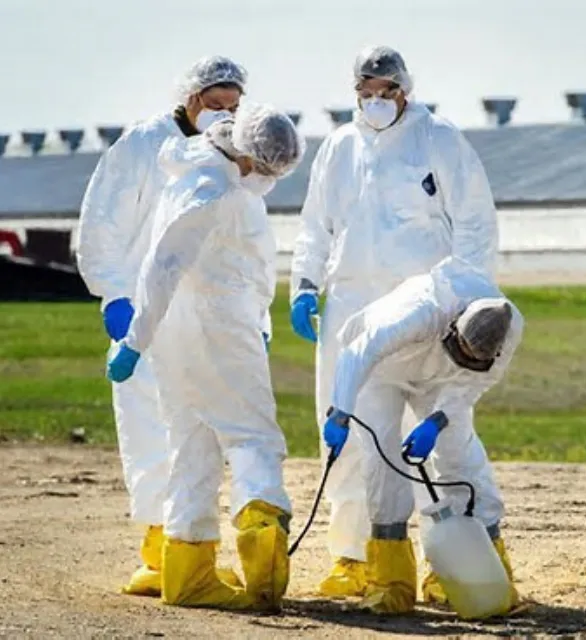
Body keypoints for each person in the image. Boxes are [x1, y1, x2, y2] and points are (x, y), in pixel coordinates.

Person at [288, 45, 499, 599]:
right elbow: (315, 226)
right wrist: (305, 285)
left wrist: (469, 295)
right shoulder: (337, 147)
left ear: (406, 89)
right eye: (366, 92)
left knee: (440, 437)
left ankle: (447, 560)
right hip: (352, 309)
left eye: (386, 90)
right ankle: (354, 556)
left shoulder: (441, 139)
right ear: (354, 93)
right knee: (354, 435)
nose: (377, 101)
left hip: (429, 309)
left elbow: (475, 222)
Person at [105, 104, 305, 611]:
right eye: (266, 169)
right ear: (247, 156)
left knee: (192, 444)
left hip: (179, 335)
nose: (265, 179)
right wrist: (133, 340)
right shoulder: (213, 191)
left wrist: (144, 339)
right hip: (220, 327)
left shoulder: (197, 174)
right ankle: (263, 557)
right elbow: (162, 267)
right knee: (254, 438)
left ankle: (189, 571)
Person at [75, 55, 248, 597]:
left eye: (233, 107)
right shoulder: (141, 144)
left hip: (199, 314)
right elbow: (101, 223)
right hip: (141, 311)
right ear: (190, 98)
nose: (223, 114)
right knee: (150, 428)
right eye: (215, 104)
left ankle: (190, 546)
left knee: (198, 431)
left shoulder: (223, 151)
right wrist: (113, 297)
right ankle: (159, 550)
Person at [321, 256, 521, 614]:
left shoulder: (509, 329)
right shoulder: (417, 313)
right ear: (452, 327)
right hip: (383, 372)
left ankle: (478, 571)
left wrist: (438, 421)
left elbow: (472, 385)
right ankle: (390, 580)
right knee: (382, 456)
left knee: (460, 455)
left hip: (444, 381)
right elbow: (358, 353)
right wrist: (341, 411)